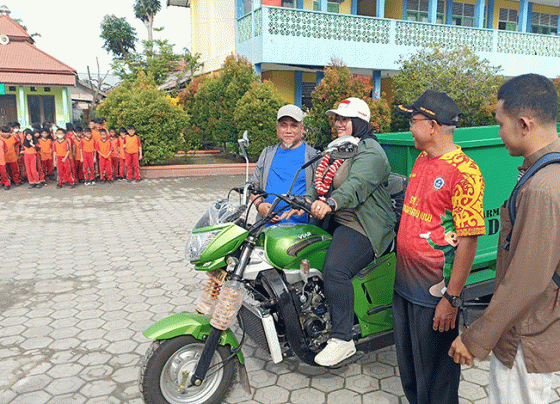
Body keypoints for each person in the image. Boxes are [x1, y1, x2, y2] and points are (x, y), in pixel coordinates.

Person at [449, 74, 560, 404]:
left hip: (527, 340)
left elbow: (526, 280)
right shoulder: (543, 173)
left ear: (524, 124)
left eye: (500, 123)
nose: (498, 133)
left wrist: (475, 338)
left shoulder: (542, 189)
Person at [393, 90, 485, 404]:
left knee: (437, 378)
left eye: (413, 120)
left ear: (432, 126)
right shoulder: (421, 159)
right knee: (410, 369)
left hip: (435, 296)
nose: (410, 126)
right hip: (405, 284)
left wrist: (452, 298)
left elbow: (469, 240)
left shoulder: (464, 172)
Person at [304, 98, 395, 367]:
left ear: (360, 122)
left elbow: (355, 186)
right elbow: (320, 184)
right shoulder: (338, 150)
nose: (338, 124)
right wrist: (303, 200)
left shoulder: (371, 153)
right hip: (336, 220)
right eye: (336, 119)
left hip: (363, 225)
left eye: (344, 119)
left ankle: (342, 340)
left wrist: (330, 203)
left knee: (336, 270)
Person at [250, 104, 319, 225]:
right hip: (266, 228)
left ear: (302, 129)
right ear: (277, 128)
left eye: (294, 126)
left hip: (301, 230)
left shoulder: (313, 156)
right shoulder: (267, 154)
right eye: (283, 125)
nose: (288, 131)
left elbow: (319, 190)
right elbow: (253, 186)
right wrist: (259, 205)